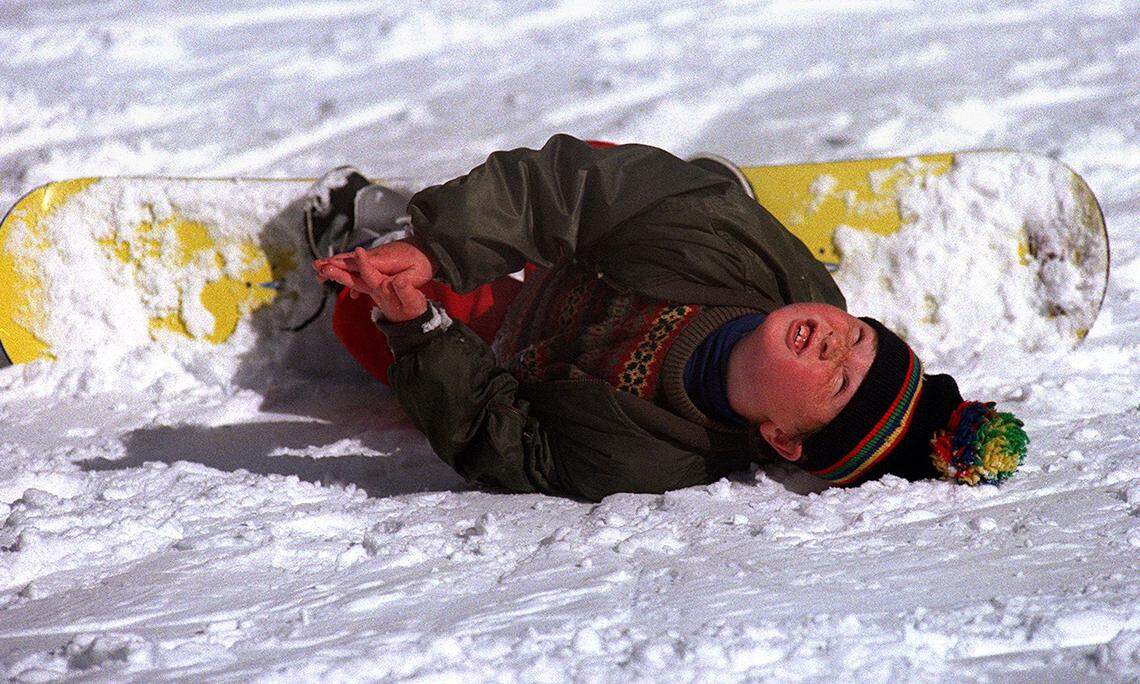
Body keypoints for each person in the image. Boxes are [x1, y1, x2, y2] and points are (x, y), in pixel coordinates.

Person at [311, 134, 1027, 502]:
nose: (834, 344)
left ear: (779, 438)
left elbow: (500, 442)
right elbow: (568, 192)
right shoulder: (737, 254)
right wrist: (437, 247)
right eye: (860, 337)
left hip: (520, 340)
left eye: (836, 382)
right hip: (606, 243)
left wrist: (414, 322)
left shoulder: (645, 455)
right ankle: (712, 182)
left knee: (368, 322)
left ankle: (376, 246)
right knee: (616, 176)